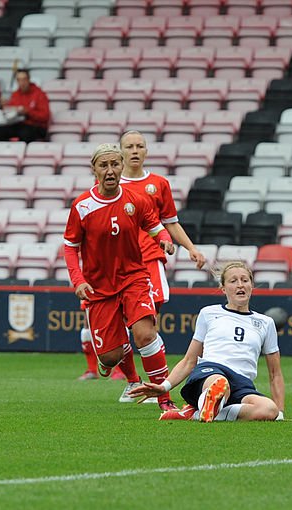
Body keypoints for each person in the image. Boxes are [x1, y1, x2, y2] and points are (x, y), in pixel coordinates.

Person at [63, 143, 179, 412]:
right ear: (94, 169)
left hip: (133, 278)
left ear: (121, 167)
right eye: (104, 165)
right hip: (99, 288)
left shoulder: (136, 200)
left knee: (145, 335)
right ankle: (127, 374)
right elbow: (70, 246)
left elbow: (155, 226)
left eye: (115, 164)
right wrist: (78, 280)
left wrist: (164, 240)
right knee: (110, 356)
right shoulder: (82, 206)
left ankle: (165, 401)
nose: (110, 170)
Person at [110, 130, 207, 403]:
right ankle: (132, 382)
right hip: (115, 264)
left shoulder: (158, 184)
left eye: (140, 146)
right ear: (121, 152)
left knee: (146, 326)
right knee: (118, 330)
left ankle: (157, 385)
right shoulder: (111, 185)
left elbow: (170, 222)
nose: (135, 151)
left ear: (146, 151)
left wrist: (191, 248)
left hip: (149, 260)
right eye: (129, 146)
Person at [130, 261, 285, 423]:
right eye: (233, 281)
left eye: (245, 280)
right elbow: (190, 360)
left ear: (251, 285)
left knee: (269, 410)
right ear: (223, 288)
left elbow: (275, 373)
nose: (240, 285)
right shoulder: (209, 313)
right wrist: (164, 387)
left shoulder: (266, 323)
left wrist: (280, 412)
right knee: (220, 384)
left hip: (242, 384)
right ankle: (211, 400)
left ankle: (195, 412)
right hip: (211, 372)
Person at [0, 69, 49, 143]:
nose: (22, 83)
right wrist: (5, 108)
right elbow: (10, 113)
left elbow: (45, 116)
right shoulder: (15, 94)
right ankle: (3, 152)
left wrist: (28, 112)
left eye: (24, 79)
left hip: (36, 126)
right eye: (19, 80)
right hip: (19, 124)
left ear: (29, 80)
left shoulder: (39, 94)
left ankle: (20, 153)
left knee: (25, 133)